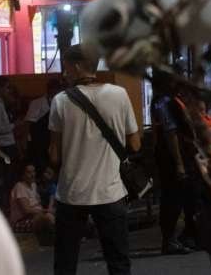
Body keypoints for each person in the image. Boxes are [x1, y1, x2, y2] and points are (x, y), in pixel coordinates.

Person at [49, 45, 140, 275]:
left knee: (65, 263)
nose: (64, 72)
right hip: (110, 192)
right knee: (118, 262)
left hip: (71, 194)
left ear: (77, 66)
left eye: (66, 66)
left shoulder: (60, 101)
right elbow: (135, 144)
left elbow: (55, 154)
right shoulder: (119, 94)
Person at [149, 69, 199, 254]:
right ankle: (169, 240)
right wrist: (178, 163)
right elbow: (170, 134)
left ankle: (186, 235)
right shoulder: (164, 102)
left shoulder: (171, 100)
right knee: (173, 197)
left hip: (179, 155)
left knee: (186, 195)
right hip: (173, 158)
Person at [9, 162, 54, 237]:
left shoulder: (33, 185)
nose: (33, 174)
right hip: (21, 221)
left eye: (34, 171)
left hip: (35, 217)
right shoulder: (19, 187)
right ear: (22, 175)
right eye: (29, 172)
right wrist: (46, 211)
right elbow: (27, 210)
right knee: (46, 219)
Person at [0, 76, 17, 212]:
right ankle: (4, 209)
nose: (9, 91)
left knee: (10, 178)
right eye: (7, 88)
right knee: (6, 179)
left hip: (7, 146)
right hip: (4, 148)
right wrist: (14, 125)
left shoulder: (0, 103)